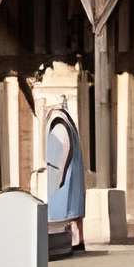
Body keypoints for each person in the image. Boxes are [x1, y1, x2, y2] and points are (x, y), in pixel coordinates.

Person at [44, 101, 86, 252]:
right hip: (71, 173)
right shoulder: (67, 121)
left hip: (64, 174)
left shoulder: (58, 123)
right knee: (75, 213)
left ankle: (73, 242)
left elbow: (64, 147)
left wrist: (59, 175)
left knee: (66, 212)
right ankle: (78, 240)